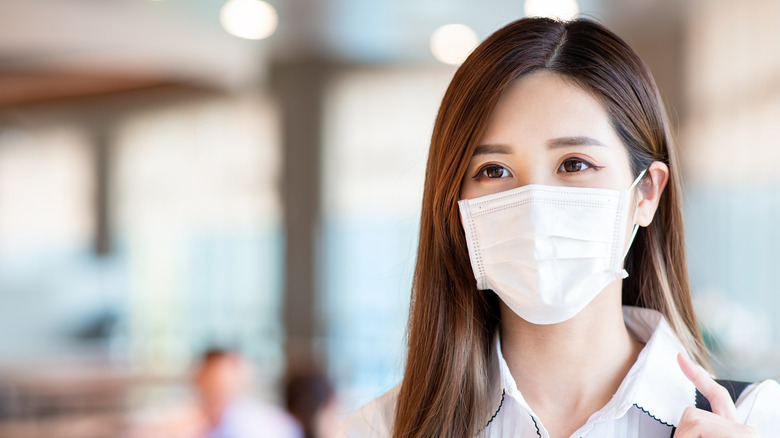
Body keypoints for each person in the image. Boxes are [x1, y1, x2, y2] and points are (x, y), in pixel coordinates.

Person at [338, 17, 779, 438]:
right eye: (493, 170)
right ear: (456, 204)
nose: (534, 204)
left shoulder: (755, 420)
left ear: (646, 192)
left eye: (574, 164)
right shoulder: (380, 429)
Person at [127, 349, 302, 438]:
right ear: (198, 380)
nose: (219, 394)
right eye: (213, 385)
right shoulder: (168, 421)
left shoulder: (270, 424)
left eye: (226, 386)